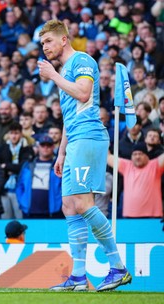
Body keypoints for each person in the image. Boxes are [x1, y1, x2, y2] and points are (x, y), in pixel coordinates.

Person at [38, 20, 131, 292]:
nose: (45, 48)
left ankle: (118, 268)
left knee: (83, 202)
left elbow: (83, 93)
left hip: (89, 137)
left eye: (48, 42)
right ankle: (78, 276)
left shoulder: (82, 61)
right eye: (42, 43)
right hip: (74, 140)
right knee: (69, 205)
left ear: (64, 39)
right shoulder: (65, 70)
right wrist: (61, 151)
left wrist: (54, 76)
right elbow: (68, 115)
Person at [107, 143, 164, 218]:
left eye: (140, 154)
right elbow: (107, 157)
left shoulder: (155, 165)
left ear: (147, 156)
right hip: (130, 216)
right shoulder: (126, 166)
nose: (137, 157)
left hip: (153, 215)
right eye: (134, 154)